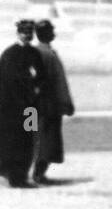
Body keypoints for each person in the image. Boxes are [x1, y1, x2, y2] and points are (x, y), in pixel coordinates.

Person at [0, 20, 43, 188]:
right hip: (12, 108)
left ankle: (22, 175)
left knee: (29, 139)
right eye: (24, 31)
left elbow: (42, 77)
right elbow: (7, 81)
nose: (28, 35)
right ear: (18, 33)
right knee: (13, 140)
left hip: (30, 108)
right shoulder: (9, 54)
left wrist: (36, 89)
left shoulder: (35, 54)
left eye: (30, 32)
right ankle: (15, 177)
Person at [31, 20, 74, 185]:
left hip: (30, 107)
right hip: (48, 106)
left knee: (29, 136)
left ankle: (27, 172)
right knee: (47, 140)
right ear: (48, 34)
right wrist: (66, 104)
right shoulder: (50, 55)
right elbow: (59, 82)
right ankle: (38, 174)